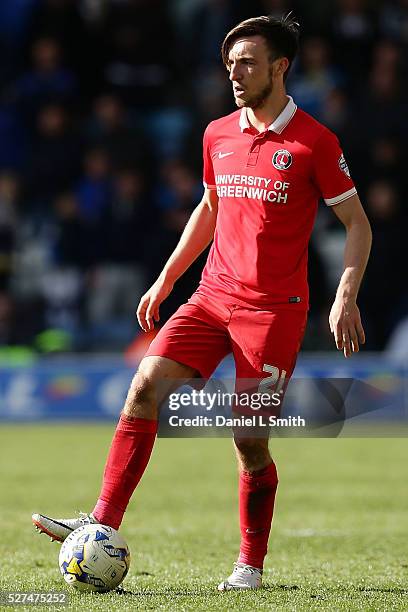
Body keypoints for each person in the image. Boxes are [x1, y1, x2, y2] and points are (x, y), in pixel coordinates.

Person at [32, 15, 372, 591]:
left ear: (280, 67)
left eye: (247, 63)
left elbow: (357, 224)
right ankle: (101, 522)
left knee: (248, 438)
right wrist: (167, 280)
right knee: (143, 387)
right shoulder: (217, 132)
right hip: (212, 296)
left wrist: (345, 295)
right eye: (230, 64)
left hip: (274, 310)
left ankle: (250, 565)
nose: (235, 74)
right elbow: (210, 208)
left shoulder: (314, 141)